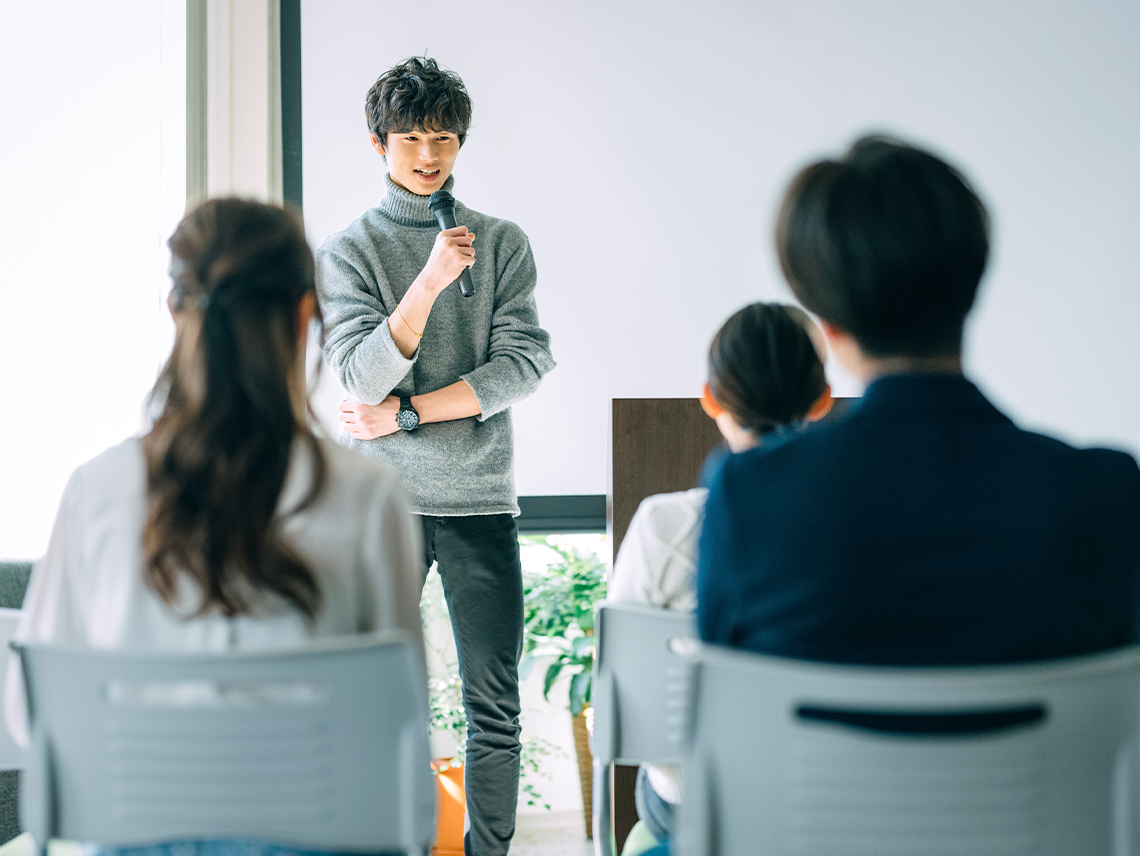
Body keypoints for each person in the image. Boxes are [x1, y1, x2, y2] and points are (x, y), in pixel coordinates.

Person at [5, 198, 425, 856]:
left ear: (177, 309)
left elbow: (31, 718)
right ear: (305, 313)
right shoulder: (369, 496)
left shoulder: (96, 490)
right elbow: (398, 728)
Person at [698, 135, 1140, 665]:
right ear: (971, 287)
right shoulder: (1106, 496)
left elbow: (721, 706)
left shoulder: (748, 499)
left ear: (828, 324)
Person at [314, 57, 555, 856]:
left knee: (495, 704)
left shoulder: (502, 243)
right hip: (378, 509)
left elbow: (522, 365)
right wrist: (425, 285)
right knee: (377, 699)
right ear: (378, 142)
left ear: (460, 144)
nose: (428, 154)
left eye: (443, 137)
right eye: (411, 136)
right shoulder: (351, 249)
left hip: (480, 501)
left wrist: (409, 414)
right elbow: (357, 375)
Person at [610, 302, 831, 854]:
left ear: (710, 399)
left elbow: (623, 697)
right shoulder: (860, 524)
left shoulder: (666, 525)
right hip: (826, 790)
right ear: (822, 402)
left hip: (691, 804)